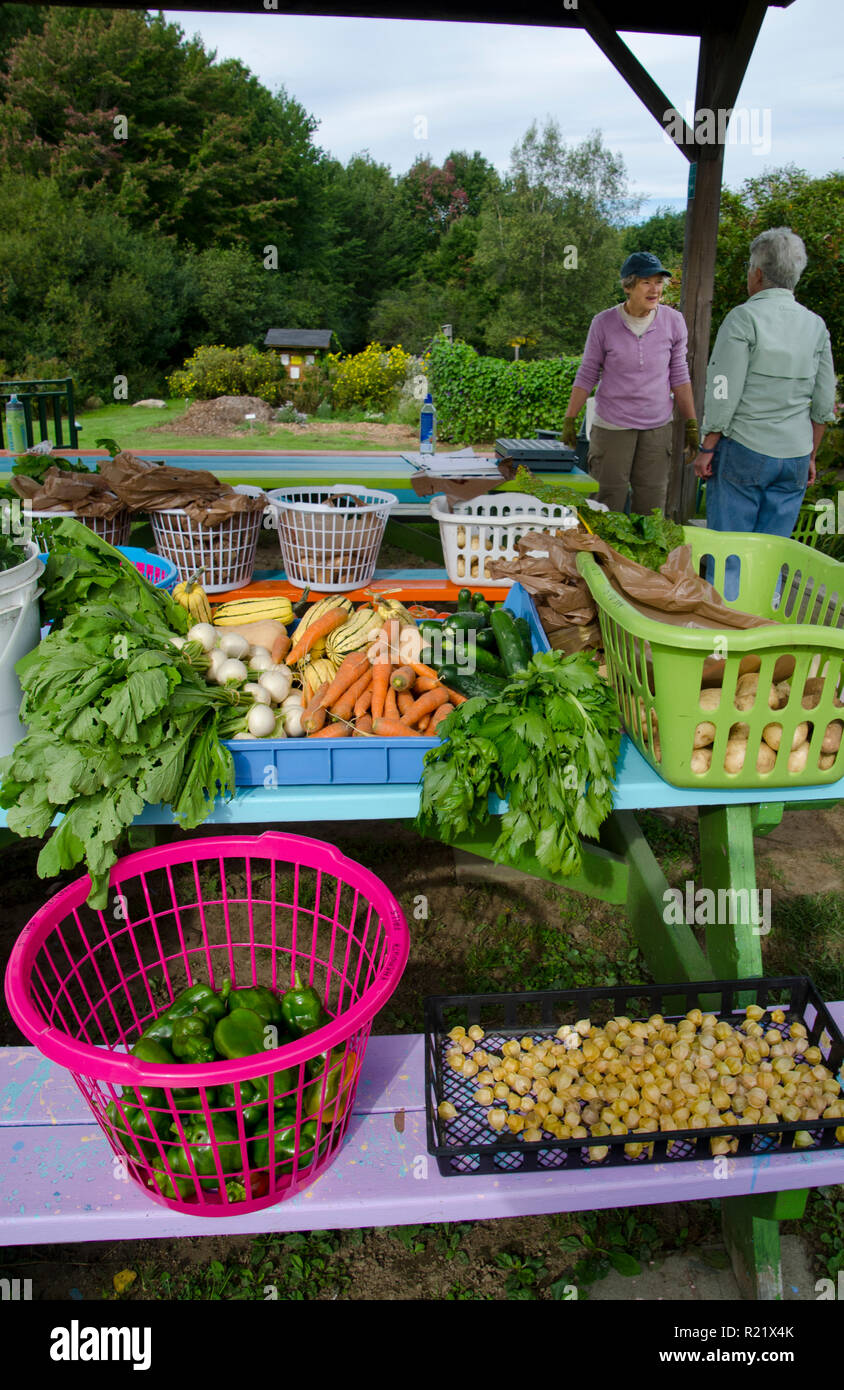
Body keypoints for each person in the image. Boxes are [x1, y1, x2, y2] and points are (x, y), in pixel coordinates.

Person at [693, 227, 836, 541]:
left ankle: (729, 592)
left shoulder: (743, 318)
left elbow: (722, 390)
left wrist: (707, 447)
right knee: (773, 552)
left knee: (732, 553)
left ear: (757, 274)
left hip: (745, 448)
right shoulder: (815, 325)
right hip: (795, 456)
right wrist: (810, 455)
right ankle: (769, 593)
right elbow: (825, 402)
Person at [562, 251, 698, 514]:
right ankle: (600, 556)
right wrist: (570, 419)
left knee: (652, 503)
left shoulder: (673, 322)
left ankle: (640, 557)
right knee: (605, 502)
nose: (654, 289)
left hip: (657, 427)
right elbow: (587, 373)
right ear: (629, 285)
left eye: (659, 282)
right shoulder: (603, 323)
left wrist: (692, 424)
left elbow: (680, 375)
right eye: (647, 282)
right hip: (612, 425)